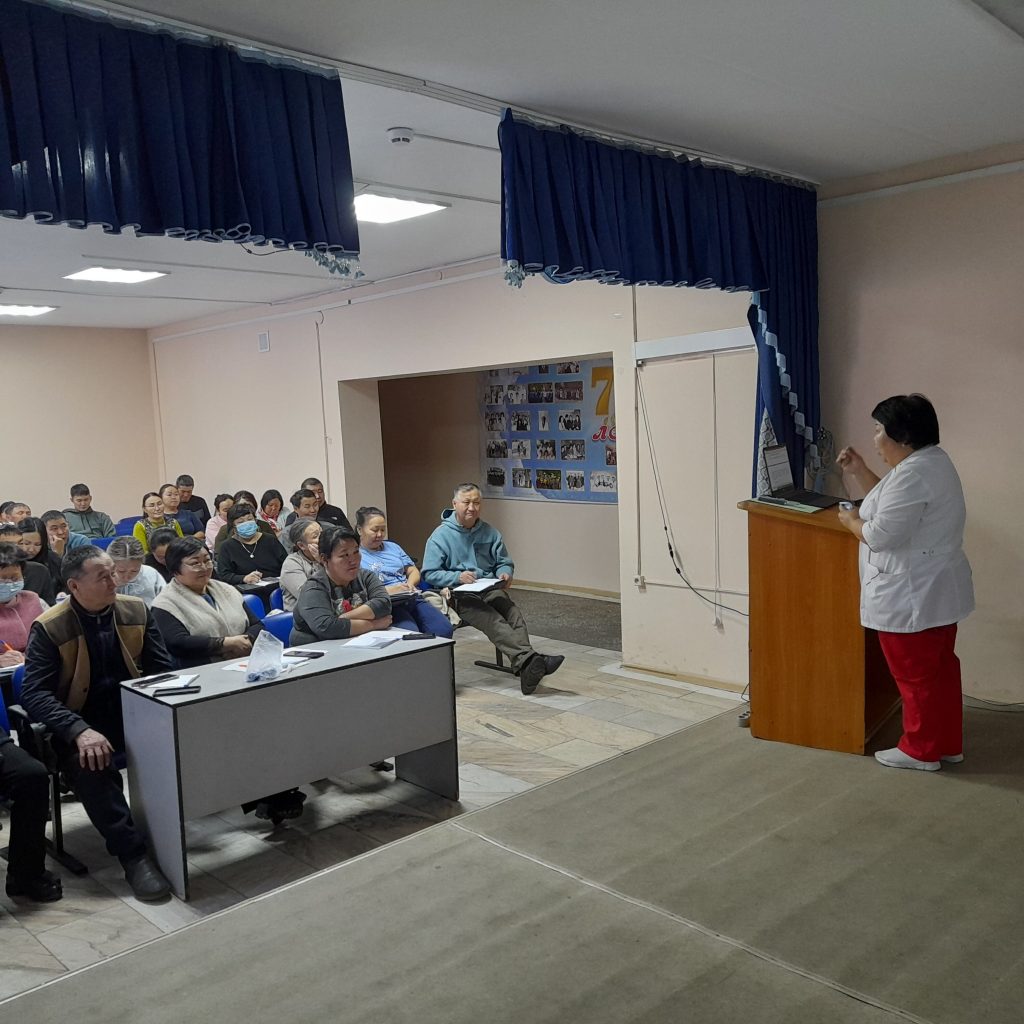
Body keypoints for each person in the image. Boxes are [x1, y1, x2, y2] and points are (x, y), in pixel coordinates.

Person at [20, 546, 174, 900]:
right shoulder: (50, 626)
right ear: (74, 586)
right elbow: (35, 694)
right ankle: (133, 855)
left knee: (183, 737)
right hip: (78, 721)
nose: (114, 582)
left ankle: (177, 828)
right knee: (90, 762)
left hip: (132, 713)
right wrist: (78, 730)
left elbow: (162, 672)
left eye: (113, 573)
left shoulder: (136, 610)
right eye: (103, 577)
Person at [836, 394, 974, 772]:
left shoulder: (913, 474)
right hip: (935, 589)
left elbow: (880, 535)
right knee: (939, 672)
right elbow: (892, 502)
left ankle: (920, 750)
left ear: (904, 437)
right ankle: (946, 744)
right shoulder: (929, 462)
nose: (875, 439)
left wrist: (850, 521)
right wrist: (859, 470)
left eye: (879, 430)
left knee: (915, 676)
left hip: (913, 593)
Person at [151, 538, 304, 821]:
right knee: (244, 732)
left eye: (206, 560)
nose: (204, 567)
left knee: (278, 722)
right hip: (203, 679)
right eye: (194, 563)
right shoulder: (165, 603)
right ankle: (267, 795)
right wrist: (223, 644)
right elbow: (177, 643)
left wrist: (245, 640)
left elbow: (257, 624)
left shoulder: (225, 589)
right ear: (175, 569)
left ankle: (280, 788)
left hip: (245, 670)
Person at [423, 483, 563, 695]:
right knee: (492, 618)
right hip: (459, 595)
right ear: (454, 504)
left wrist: (505, 573)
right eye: (466, 502)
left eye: (477, 503)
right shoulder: (440, 536)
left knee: (512, 613)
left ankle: (526, 666)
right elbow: (429, 573)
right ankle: (531, 662)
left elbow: (504, 562)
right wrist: (456, 577)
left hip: (488, 587)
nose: (472, 508)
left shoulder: (489, 532)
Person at [356, 506, 453, 638]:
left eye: (383, 530)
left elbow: (413, 570)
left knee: (443, 629)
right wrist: (390, 590)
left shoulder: (393, 547)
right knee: (409, 634)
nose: (379, 534)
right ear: (360, 530)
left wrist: (410, 584)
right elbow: (360, 591)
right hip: (387, 604)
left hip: (410, 597)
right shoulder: (356, 555)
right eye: (374, 530)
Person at [290, 526, 393, 644]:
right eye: (344, 555)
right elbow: (326, 627)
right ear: (324, 559)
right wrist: (374, 625)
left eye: (356, 552)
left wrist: (341, 618)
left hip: (358, 643)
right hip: (316, 648)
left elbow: (383, 604)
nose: (353, 560)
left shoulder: (366, 576)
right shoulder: (314, 588)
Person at [216, 503, 287, 586]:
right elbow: (224, 575)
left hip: (276, 585)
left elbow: (286, 564)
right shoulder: (227, 547)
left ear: (255, 521)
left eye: (250, 519)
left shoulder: (270, 540)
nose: (247, 524)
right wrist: (243, 578)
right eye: (240, 522)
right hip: (245, 589)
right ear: (233, 526)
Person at [0, 543, 46, 666]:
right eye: (2, 579)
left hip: (35, 667)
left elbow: (54, 638)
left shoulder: (34, 600)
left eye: (14, 578)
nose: (9, 583)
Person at [0, 524, 55, 604]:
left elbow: (50, 606)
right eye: (9, 545)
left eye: (20, 543)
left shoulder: (39, 571)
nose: (16, 548)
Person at [211, 491, 276, 553]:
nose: (244, 510)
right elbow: (218, 554)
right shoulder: (225, 530)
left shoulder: (264, 526)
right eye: (240, 507)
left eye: (248, 506)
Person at [279, 518, 322, 611]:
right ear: (302, 545)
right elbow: (309, 597)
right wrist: (322, 563)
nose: (323, 538)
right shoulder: (292, 563)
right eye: (316, 536)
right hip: (304, 614)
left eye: (322, 532)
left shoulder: (330, 556)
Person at [109, 536, 166, 606]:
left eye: (134, 571)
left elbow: (165, 601)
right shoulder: (105, 579)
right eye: (121, 571)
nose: (127, 577)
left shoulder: (151, 575)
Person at [18, 517, 64, 594]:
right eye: (26, 543)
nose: (31, 549)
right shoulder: (9, 561)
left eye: (37, 544)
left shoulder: (53, 560)